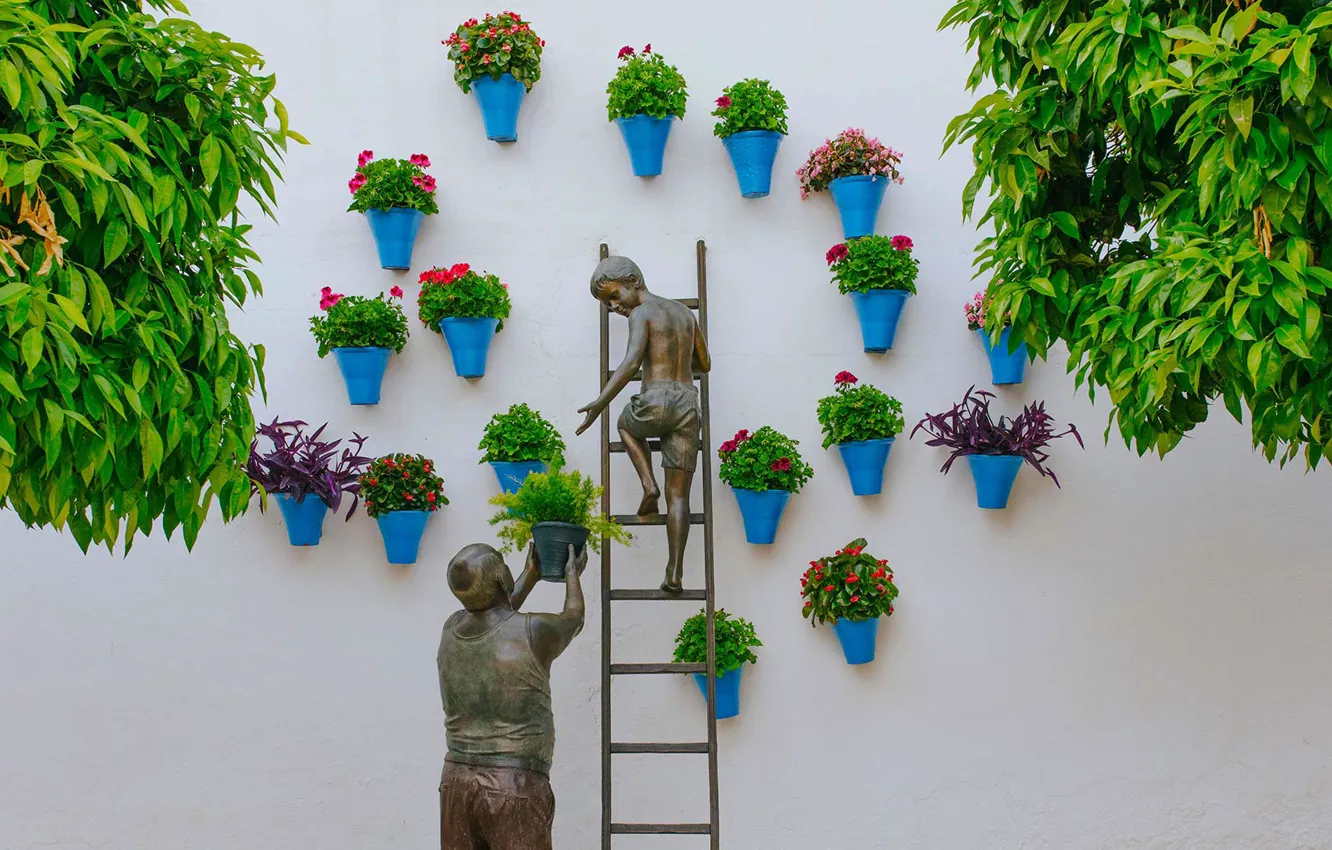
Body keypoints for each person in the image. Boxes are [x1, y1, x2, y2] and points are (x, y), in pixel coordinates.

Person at [437, 541, 586, 850]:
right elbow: (573, 619)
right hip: (514, 784)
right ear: (501, 578)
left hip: (456, 782)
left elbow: (494, 614)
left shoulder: (451, 628)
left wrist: (530, 575)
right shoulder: (534, 631)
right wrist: (573, 573)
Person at [576, 255, 711, 594]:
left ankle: (648, 484)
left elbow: (631, 362)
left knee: (624, 423)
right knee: (679, 495)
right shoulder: (684, 312)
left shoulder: (641, 313)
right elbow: (704, 364)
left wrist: (599, 402)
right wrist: (677, 356)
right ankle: (675, 571)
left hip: (655, 398)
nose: (612, 307)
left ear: (633, 282)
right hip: (687, 402)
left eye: (614, 296)